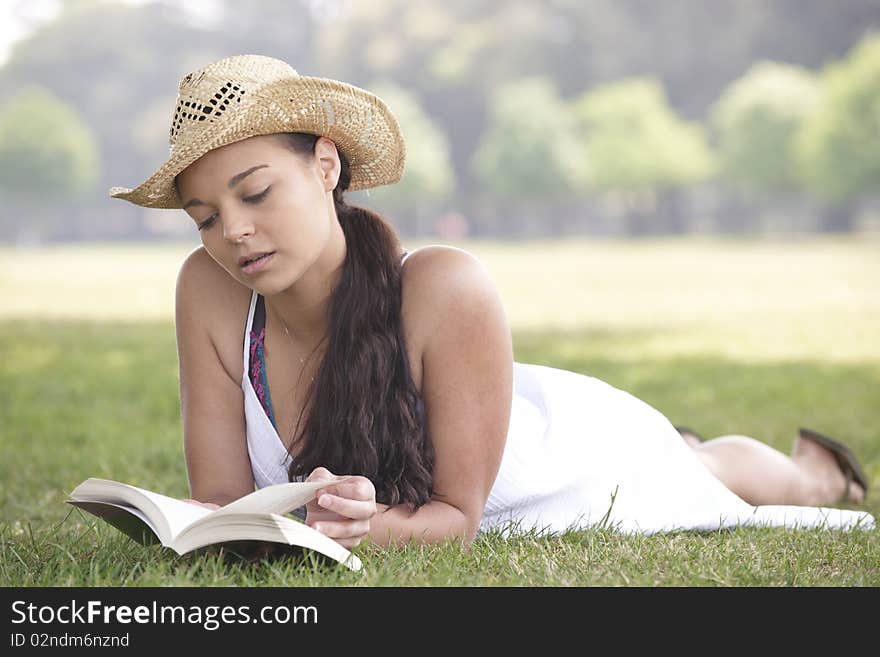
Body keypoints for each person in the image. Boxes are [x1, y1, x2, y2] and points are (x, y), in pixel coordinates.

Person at [109, 54, 874, 550]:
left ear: (325, 166)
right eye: (205, 216)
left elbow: (455, 519)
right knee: (697, 454)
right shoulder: (208, 290)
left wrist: (350, 529)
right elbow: (220, 500)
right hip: (489, 416)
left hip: (571, 456)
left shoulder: (444, 285)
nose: (233, 231)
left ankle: (818, 473)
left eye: (255, 192)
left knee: (694, 467)